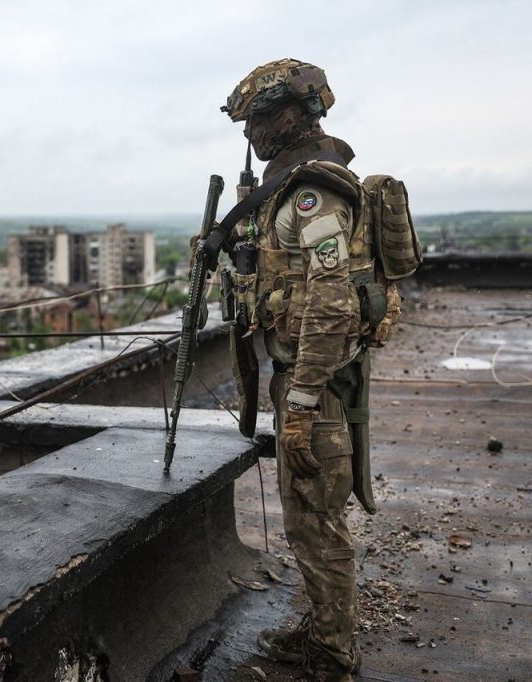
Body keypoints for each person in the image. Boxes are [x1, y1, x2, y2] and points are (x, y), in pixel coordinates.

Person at [218, 58, 369, 681]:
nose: (250, 135)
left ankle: (332, 655)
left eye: (256, 120)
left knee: (317, 520)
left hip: (317, 387)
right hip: (304, 381)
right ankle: (321, 633)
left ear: (290, 115)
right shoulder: (286, 190)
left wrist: (303, 402)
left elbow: (331, 301)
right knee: (305, 517)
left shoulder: (314, 191)